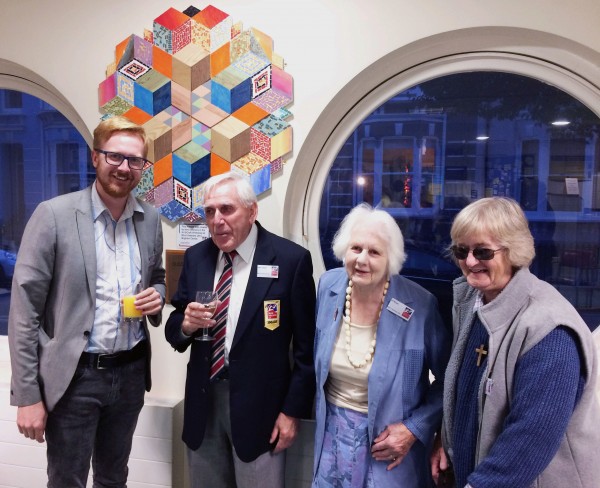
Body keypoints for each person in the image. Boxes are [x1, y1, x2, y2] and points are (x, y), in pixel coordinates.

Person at [8, 116, 166, 487]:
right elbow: (24, 312)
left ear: (143, 167)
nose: (125, 168)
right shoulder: (54, 215)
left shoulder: (150, 219)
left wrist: (157, 296)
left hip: (129, 375)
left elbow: (157, 277)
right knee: (67, 480)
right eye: (115, 156)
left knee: (114, 478)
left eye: (135, 160)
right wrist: (28, 396)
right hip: (76, 377)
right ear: (95, 157)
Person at [431, 196, 600, 488]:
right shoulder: (475, 300)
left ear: (515, 251)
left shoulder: (550, 331)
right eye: (461, 250)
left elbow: (529, 441)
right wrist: (444, 441)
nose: (470, 261)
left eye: (483, 251)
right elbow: (465, 390)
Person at [165, 171, 316, 488]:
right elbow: (174, 327)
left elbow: (306, 351)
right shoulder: (197, 258)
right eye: (209, 211)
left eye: (226, 209)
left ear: (252, 211)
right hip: (204, 406)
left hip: (262, 410)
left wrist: (291, 413)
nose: (216, 220)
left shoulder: (290, 261)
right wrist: (186, 325)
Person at [312, 203, 451, 487]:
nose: (362, 260)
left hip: (390, 447)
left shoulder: (420, 305)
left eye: (374, 252)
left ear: (391, 259)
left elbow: (449, 379)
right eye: (355, 248)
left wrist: (414, 429)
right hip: (330, 440)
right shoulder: (329, 287)